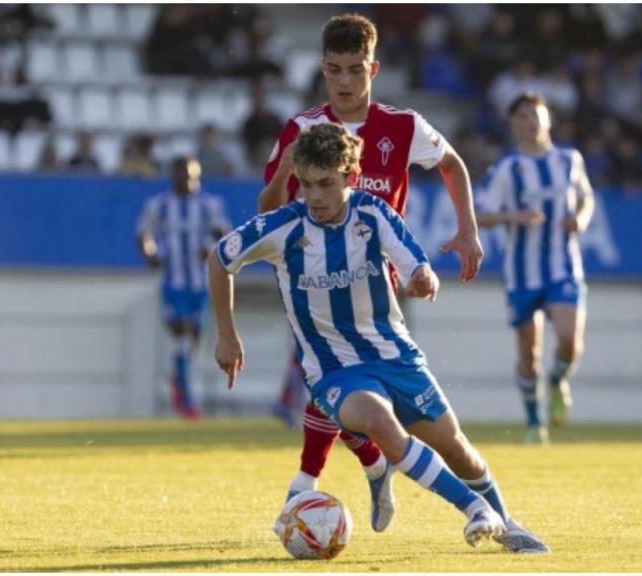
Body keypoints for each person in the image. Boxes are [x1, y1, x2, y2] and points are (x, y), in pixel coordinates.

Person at [211, 124, 548, 553]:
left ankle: (507, 522)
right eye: (308, 184)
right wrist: (227, 334)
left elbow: (414, 268)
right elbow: (220, 258)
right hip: (334, 368)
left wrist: (423, 281)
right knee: (378, 423)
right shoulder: (284, 227)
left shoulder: (373, 213)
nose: (315, 196)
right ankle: (475, 509)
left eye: (326, 184)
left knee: (457, 449)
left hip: (396, 356)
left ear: (350, 177)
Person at [257, 13, 484, 534]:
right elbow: (267, 206)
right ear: (322, 69)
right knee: (329, 378)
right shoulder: (302, 128)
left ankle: (370, 467)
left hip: (380, 278)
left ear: (373, 68)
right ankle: (314, 483)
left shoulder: (402, 126)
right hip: (315, 275)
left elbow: (452, 163)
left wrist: (467, 229)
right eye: (334, 70)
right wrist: (289, 166)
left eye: (354, 69)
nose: (344, 81)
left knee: (353, 392)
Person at [475, 92, 595, 445]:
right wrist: (513, 216)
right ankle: (533, 423)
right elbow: (481, 213)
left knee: (570, 341)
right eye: (522, 115)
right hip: (522, 272)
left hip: (563, 266)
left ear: (548, 118)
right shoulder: (507, 168)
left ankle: (557, 381)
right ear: (513, 124)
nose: (530, 120)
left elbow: (586, 197)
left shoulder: (570, 159)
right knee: (529, 354)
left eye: (535, 113)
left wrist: (582, 219)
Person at [137, 157, 231, 419]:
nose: (188, 182)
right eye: (182, 177)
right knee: (182, 331)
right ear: (174, 177)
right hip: (172, 282)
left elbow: (225, 238)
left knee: (190, 342)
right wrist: (151, 253)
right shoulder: (159, 205)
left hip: (201, 284)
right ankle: (187, 399)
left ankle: (180, 380)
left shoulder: (210, 205)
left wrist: (212, 250)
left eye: (192, 177)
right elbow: (144, 234)